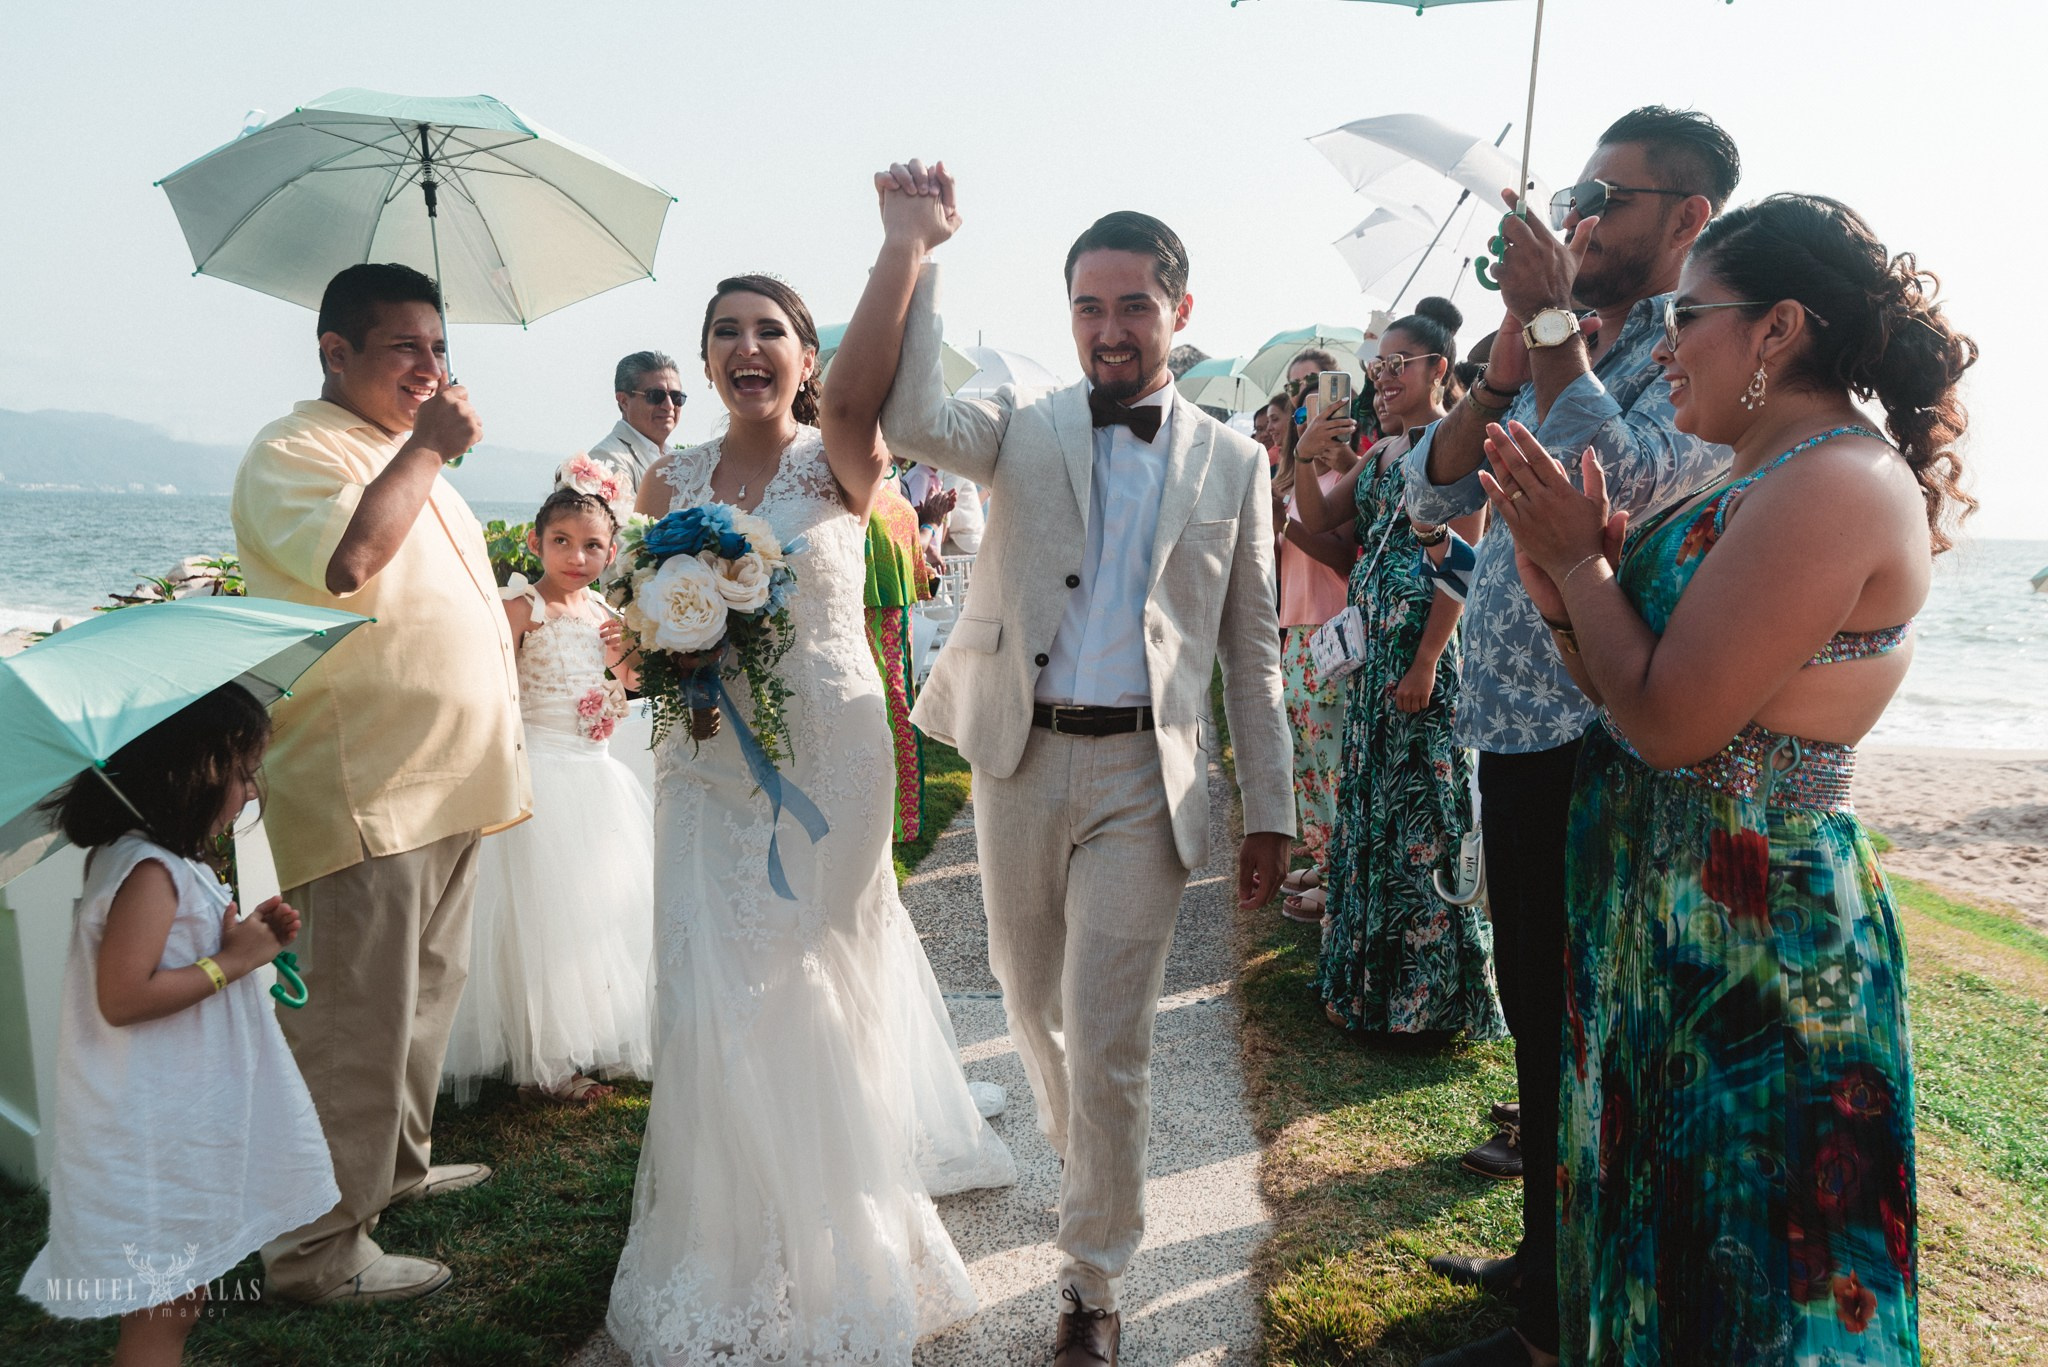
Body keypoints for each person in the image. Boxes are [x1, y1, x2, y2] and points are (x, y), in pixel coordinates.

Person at [1482, 191, 1968, 1365]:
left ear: (1775, 327)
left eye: (1684, 316)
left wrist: (1579, 569)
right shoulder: (1746, 474)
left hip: (1752, 936)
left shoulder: (1837, 482)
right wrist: (1568, 594)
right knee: (1665, 1236)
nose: (1659, 346)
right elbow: (1626, 689)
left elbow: (1666, 722)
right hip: (1675, 921)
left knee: (1747, 1258)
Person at [854, 162, 1295, 1367]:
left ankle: (1091, 1277)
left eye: (1132, 306)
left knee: (1108, 1038)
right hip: (1019, 759)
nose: (1109, 329)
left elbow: (1251, 652)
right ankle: (1086, 1155)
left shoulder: (1235, 463)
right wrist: (918, 252)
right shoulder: (1021, 424)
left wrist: (1271, 809)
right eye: (1088, 308)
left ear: (1178, 311)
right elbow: (909, 420)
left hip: (1144, 783)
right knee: (1032, 1006)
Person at [606, 270, 1015, 1367]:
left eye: (769, 331)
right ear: (702, 359)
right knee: (709, 977)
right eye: (725, 332)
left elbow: (862, 393)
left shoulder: (839, 456)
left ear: (805, 358)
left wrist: (906, 249)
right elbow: (641, 627)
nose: (747, 348)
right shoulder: (666, 479)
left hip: (828, 751)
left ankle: (841, 1232)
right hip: (704, 764)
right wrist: (656, 648)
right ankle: (731, 1234)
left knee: (816, 973)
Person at [1400, 108, 1741, 1367]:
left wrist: (1549, 329)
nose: (1576, 217)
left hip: (1597, 732)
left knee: (1580, 1021)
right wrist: (1506, 361)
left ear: (1687, 216)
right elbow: (1429, 490)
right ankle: (1542, 1261)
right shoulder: (1564, 340)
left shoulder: (1699, 348)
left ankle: (1561, 1309)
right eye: (1573, 195)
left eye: (1606, 196)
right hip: (1508, 725)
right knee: (1532, 1013)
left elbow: (1629, 478)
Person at [232, 262, 528, 1306]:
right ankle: (314, 1249)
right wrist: (430, 446)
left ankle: (392, 1170)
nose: (429, 366)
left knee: (419, 1004)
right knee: (349, 1025)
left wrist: (423, 451)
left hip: (450, 781)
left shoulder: (404, 454)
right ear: (336, 351)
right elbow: (348, 562)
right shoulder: (295, 449)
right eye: (406, 346)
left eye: (438, 347)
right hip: (367, 785)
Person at [18, 684, 337, 1365]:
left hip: (170, 1106)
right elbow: (124, 996)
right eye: (243, 773)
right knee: (165, 1306)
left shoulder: (162, 860)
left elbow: (170, 956)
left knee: (177, 1299)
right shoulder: (150, 871)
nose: (249, 793)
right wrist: (231, 960)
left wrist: (241, 939)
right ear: (192, 772)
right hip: (152, 1127)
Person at [1293, 300, 1505, 1041]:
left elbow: (1463, 567)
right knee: (1372, 816)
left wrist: (1426, 662)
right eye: (1376, 366)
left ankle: (1428, 1004)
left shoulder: (1458, 445)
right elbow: (1321, 520)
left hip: (1421, 665)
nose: (1381, 378)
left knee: (1421, 818)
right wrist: (1304, 457)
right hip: (1374, 665)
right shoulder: (1384, 451)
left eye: (1397, 365)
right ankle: (1368, 992)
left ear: (1438, 368)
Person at [442, 486, 653, 1107]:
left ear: (610, 553)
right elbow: (492, 688)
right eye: (562, 541)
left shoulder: (605, 614)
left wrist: (623, 652)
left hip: (596, 776)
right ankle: (544, 1063)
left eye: (592, 546)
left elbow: (632, 682)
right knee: (542, 916)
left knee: (595, 907)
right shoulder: (521, 608)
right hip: (542, 775)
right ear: (536, 542)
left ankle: (594, 1035)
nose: (576, 557)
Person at [1272, 379, 1354, 925]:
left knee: (1334, 763)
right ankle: (1327, 866)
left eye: (1325, 411)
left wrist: (1287, 526)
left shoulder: (1349, 478)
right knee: (1304, 760)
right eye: (1305, 415)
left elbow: (1344, 558)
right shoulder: (1291, 482)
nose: (1313, 422)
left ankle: (1343, 878)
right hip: (1295, 634)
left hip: (1334, 633)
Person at [866, 476, 941, 840]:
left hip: (888, 609)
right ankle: (893, 818)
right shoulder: (890, 494)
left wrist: (928, 526)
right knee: (888, 704)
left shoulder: (891, 490)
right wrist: (929, 524)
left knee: (892, 704)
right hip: (874, 609)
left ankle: (898, 819)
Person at [587, 350, 685, 499]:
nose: (669, 405)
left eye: (676, 396)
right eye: (656, 396)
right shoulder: (606, 459)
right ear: (624, 401)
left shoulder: (678, 458)